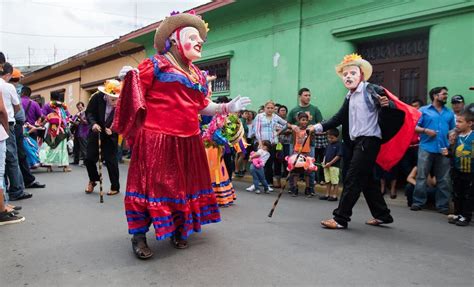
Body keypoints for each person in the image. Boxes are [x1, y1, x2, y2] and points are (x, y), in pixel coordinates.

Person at [114, 11, 250, 260]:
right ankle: (139, 235)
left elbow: (201, 105)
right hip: (156, 139)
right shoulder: (155, 64)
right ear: (175, 39)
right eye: (193, 36)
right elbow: (133, 94)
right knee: (149, 188)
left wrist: (226, 108)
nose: (200, 42)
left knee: (183, 187)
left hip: (189, 140)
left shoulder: (197, 74)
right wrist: (129, 78)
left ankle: (179, 228)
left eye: (201, 39)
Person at [314, 53, 419, 229]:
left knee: (353, 178)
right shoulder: (350, 96)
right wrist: (316, 127)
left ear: (361, 74)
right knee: (367, 181)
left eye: (352, 73)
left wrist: (386, 105)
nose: (348, 76)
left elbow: (391, 108)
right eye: (345, 74)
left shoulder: (372, 90)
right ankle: (382, 215)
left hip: (369, 141)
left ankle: (340, 218)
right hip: (357, 143)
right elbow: (338, 118)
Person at [411, 87, 455, 214]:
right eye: (444, 94)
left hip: (443, 149)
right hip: (426, 148)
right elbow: (414, 126)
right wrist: (425, 130)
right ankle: (418, 202)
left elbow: (452, 129)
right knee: (421, 176)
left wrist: (453, 134)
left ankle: (443, 206)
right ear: (435, 96)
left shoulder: (449, 112)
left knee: (444, 179)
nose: (446, 96)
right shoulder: (423, 110)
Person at [0, 62, 32, 201]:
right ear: (8, 74)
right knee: (11, 158)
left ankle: (5, 192)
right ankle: (15, 191)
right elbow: (16, 108)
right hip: (7, 124)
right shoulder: (8, 87)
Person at [84, 80, 121, 196]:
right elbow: (89, 113)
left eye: (117, 99)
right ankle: (93, 179)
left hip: (111, 134)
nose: (116, 102)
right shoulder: (96, 97)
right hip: (97, 132)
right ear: (107, 95)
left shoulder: (122, 101)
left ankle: (115, 187)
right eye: (113, 99)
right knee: (89, 158)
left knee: (111, 161)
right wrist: (93, 124)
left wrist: (114, 129)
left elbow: (124, 119)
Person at [0, 59, 25, 225]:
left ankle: (4, 202)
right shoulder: (8, 87)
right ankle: (4, 204)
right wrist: (5, 129)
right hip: (5, 124)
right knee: (7, 164)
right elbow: (6, 109)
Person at [288, 88, 323, 193]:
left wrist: (314, 126)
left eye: (309, 95)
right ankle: (292, 187)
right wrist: (292, 126)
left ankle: (310, 188)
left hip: (310, 144)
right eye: (306, 95)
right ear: (300, 96)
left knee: (309, 166)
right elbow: (287, 123)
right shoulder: (294, 110)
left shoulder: (315, 109)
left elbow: (321, 123)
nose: (308, 97)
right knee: (294, 165)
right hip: (295, 144)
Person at [252, 100, 293, 190]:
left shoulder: (275, 117)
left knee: (269, 163)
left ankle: (268, 182)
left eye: (272, 108)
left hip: (272, 143)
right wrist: (260, 142)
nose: (270, 110)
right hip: (262, 143)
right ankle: (257, 181)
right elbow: (257, 130)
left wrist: (290, 127)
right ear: (264, 108)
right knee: (259, 162)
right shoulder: (259, 116)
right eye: (268, 108)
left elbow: (285, 124)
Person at [448, 105, 473, 226]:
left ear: (469, 123)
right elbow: (452, 153)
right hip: (457, 171)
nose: (457, 124)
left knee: (468, 195)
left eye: (460, 122)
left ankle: (466, 216)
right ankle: (458, 213)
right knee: (457, 193)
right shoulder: (455, 136)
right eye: (456, 121)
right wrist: (448, 151)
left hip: (471, 172)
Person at [39, 91, 72, 172]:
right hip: (61, 130)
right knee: (62, 148)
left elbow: (42, 116)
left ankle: (49, 166)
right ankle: (65, 166)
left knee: (49, 146)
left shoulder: (47, 105)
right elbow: (68, 117)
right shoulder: (63, 106)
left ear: (51, 97)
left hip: (51, 130)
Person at [288, 112, 314, 197]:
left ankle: (308, 189)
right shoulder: (296, 130)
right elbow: (294, 141)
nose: (304, 122)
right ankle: (295, 188)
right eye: (302, 120)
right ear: (298, 120)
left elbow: (311, 139)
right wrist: (294, 152)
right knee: (296, 172)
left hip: (306, 152)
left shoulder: (309, 130)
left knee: (307, 172)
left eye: (306, 120)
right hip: (297, 152)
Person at [320, 128, 342, 201]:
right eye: (328, 138)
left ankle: (334, 196)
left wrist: (330, 163)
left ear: (337, 137)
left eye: (332, 138)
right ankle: (327, 194)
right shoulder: (329, 144)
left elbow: (338, 156)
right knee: (327, 181)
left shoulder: (339, 145)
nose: (330, 139)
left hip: (334, 167)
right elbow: (325, 155)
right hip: (326, 166)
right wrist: (324, 162)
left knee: (335, 181)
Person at [274, 105, 291, 188]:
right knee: (278, 160)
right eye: (281, 110)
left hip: (288, 143)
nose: (283, 112)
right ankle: (278, 182)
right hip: (279, 144)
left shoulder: (288, 121)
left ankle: (286, 183)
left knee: (287, 161)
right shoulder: (275, 120)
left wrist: (281, 131)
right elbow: (276, 130)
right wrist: (285, 131)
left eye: (284, 110)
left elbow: (290, 130)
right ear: (278, 112)